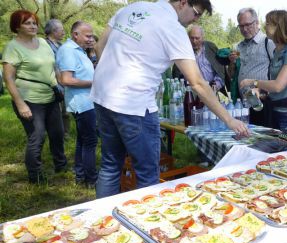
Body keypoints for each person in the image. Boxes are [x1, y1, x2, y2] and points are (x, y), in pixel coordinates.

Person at [91, 0, 248, 198]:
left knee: (110, 165)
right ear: (183, 2)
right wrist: (229, 119)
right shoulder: (172, 28)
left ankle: (105, 220)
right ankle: (146, 224)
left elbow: (99, 47)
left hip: (102, 96)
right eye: (196, 13)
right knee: (147, 174)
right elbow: (197, 82)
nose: (195, 20)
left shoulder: (132, 8)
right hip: (134, 104)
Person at [2, 10, 67, 184]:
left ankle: (61, 166)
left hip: (51, 96)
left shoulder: (43, 43)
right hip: (29, 100)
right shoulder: (12, 47)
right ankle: (35, 176)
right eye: (27, 23)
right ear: (17, 26)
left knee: (58, 134)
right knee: (37, 136)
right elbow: (8, 78)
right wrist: (20, 103)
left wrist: (59, 83)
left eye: (34, 23)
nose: (33, 26)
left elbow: (54, 67)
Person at [239, 10, 287, 130]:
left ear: (279, 27)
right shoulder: (277, 52)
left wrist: (252, 82)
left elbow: (278, 86)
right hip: (274, 111)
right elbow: (274, 83)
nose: (265, 26)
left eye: (269, 23)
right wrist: (260, 90)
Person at [56, 21, 97, 187]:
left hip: (87, 101)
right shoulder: (68, 50)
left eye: (91, 35)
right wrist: (95, 83)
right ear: (75, 34)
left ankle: (81, 176)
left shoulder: (79, 50)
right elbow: (66, 80)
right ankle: (91, 179)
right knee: (90, 142)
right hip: (82, 103)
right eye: (87, 36)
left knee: (83, 140)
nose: (90, 39)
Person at [229, 8, 276, 125]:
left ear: (257, 22)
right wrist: (232, 63)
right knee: (247, 140)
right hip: (244, 104)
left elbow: (279, 72)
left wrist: (263, 91)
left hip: (264, 102)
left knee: (265, 140)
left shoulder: (268, 42)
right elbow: (232, 75)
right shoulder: (238, 47)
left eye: (248, 25)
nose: (244, 29)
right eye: (241, 26)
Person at [172, 25, 226, 92]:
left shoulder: (211, 47)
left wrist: (216, 85)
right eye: (192, 38)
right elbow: (176, 75)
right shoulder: (183, 51)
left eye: (197, 38)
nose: (194, 41)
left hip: (211, 90)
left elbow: (220, 70)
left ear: (203, 38)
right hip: (189, 92)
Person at [44, 19, 70, 139]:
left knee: (65, 111)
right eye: (61, 29)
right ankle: (55, 134)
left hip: (64, 83)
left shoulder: (61, 45)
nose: (64, 32)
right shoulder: (44, 45)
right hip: (53, 84)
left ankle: (66, 133)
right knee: (56, 112)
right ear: (53, 31)